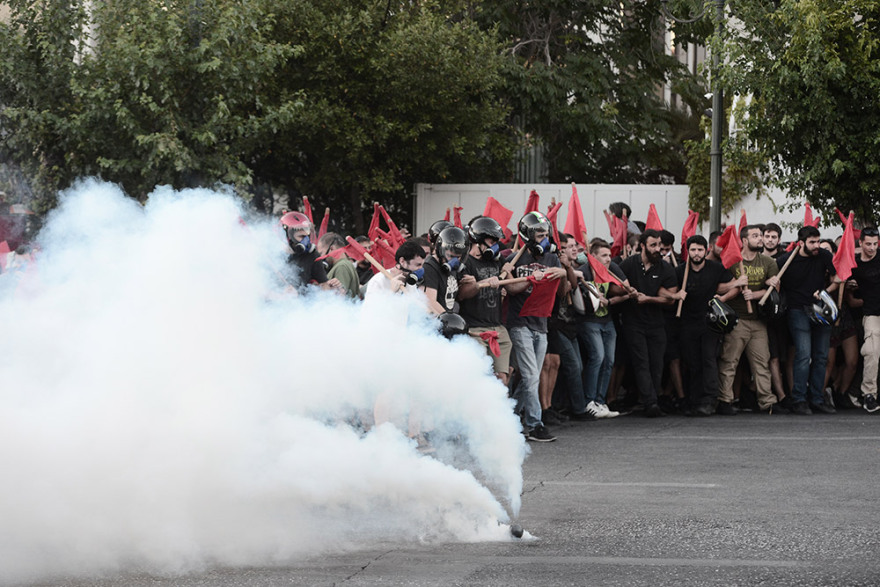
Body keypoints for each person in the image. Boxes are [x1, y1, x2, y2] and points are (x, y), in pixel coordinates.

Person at [506, 212, 565, 441]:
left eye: (545, 235)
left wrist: (561, 272)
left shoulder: (552, 258)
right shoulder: (512, 258)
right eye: (539, 235)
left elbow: (563, 291)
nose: (544, 239)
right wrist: (529, 279)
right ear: (527, 237)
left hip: (541, 322)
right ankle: (535, 424)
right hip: (519, 321)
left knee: (531, 377)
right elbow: (510, 290)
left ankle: (510, 416)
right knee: (531, 375)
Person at [716, 225, 781, 415]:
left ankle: (767, 402)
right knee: (729, 362)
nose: (760, 239)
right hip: (736, 321)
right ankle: (725, 400)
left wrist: (755, 294)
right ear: (744, 241)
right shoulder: (731, 262)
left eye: (761, 235)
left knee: (762, 362)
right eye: (755, 236)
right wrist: (735, 283)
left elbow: (775, 289)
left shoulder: (768, 262)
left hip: (758, 321)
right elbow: (718, 288)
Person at [776, 225, 839, 415]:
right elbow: (773, 279)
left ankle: (817, 399)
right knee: (803, 355)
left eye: (818, 241)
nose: (816, 245)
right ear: (801, 243)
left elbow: (837, 278)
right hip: (797, 310)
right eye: (812, 242)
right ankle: (799, 399)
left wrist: (824, 293)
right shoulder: (786, 261)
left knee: (821, 356)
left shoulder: (824, 256)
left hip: (821, 310)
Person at [670, 235, 735, 415]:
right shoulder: (680, 271)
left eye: (700, 250)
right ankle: (694, 400)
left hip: (710, 322)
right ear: (688, 251)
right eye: (693, 250)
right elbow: (670, 292)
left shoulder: (716, 268)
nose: (696, 253)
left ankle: (709, 399)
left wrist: (723, 297)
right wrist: (676, 296)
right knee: (692, 362)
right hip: (687, 323)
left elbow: (732, 286)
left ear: (706, 251)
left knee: (708, 359)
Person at [617, 229, 679, 417]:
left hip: (656, 323)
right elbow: (615, 284)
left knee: (656, 363)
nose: (657, 249)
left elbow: (671, 299)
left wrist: (649, 299)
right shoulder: (628, 264)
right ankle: (650, 403)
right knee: (641, 361)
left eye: (659, 245)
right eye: (653, 245)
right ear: (642, 246)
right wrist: (626, 293)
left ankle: (652, 397)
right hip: (633, 323)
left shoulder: (665, 268)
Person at [457, 217, 516, 385]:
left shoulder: (497, 260)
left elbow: (513, 289)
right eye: (492, 241)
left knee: (502, 378)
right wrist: (481, 284)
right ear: (478, 241)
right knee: (480, 377)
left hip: (497, 328)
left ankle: (499, 411)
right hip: (475, 328)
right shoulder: (465, 262)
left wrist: (510, 273)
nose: (495, 245)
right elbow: (462, 294)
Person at [577, 240, 628, 418]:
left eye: (609, 255)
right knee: (597, 357)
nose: (608, 259)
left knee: (609, 361)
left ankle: (600, 401)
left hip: (607, 320)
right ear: (594, 256)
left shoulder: (612, 268)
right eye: (604, 255)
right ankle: (588, 401)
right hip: (589, 321)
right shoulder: (584, 270)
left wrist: (611, 300)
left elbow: (626, 289)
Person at [848, 227, 880, 413]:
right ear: (861, 243)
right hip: (871, 313)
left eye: (875, 244)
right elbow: (846, 288)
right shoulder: (855, 264)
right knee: (871, 352)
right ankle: (869, 394)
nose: (872, 247)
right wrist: (850, 284)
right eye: (868, 244)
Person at [280, 211, 341, 292]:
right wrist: (280, 296)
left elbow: (323, 285)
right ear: (286, 236)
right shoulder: (273, 256)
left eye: (307, 236)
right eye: (301, 236)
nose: (306, 240)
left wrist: (333, 288)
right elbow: (262, 291)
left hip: (302, 303)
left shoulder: (312, 255)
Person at [422, 226, 469, 315]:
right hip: (436, 323)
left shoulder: (453, 268)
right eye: (451, 256)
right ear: (440, 251)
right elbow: (430, 302)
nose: (455, 261)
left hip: (447, 319)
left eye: (458, 257)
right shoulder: (429, 267)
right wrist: (449, 321)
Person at [317, 232, 360, 299]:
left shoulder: (342, 266)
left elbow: (338, 299)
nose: (321, 257)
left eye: (321, 253)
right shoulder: (344, 264)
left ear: (331, 248)